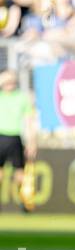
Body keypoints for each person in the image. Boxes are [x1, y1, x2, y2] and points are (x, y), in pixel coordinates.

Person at [0, 69, 35, 212]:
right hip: (0, 136)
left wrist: (32, 142)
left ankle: (24, 202)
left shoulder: (21, 98)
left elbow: (29, 121)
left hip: (15, 138)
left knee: (20, 174)